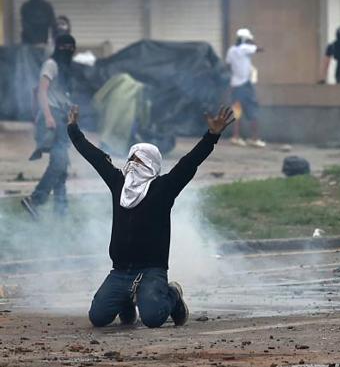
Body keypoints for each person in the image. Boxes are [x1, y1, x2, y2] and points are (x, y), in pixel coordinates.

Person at [67, 105, 234, 328]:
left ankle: (173, 295)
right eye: (131, 160)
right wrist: (73, 129)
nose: (133, 166)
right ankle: (126, 301)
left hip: (151, 270)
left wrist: (212, 136)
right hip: (120, 271)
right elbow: (95, 157)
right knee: (98, 317)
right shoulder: (118, 183)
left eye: (140, 161)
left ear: (152, 165)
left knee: (154, 318)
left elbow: (189, 162)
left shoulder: (164, 188)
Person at [21, 34, 77, 219]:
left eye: (71, 47)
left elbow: (63, 95)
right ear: (59, 47)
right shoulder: (51, 64)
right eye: (65, 47)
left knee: (60, 166)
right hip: (52, 118)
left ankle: (61, 212)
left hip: (61, 118)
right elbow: (41, 91)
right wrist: (48, 116)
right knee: (59, 163)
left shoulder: (65, 68)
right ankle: (34, 200)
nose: (68, 50)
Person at [226, 28, 265, 148]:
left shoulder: (231, 50)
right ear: (245, 40)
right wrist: (253, 44)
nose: (250, 42)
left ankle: (236, 137)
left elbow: (228, 65)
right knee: (253, 110)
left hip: (235, 84)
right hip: (245, 85)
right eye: (249, 40)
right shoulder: (245, 48)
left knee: (237, 111)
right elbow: (260, 49)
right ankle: (255, 138)